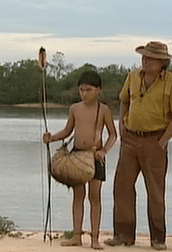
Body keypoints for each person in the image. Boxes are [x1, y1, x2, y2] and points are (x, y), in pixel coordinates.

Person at [104, 41, 172, 251]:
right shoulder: (132, 76)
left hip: (155, 140)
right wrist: (121, 125)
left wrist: (163, 141)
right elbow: (124, 100)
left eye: (150, 58)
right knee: (122, 187)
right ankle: (123, 235)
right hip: (130, 139)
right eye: (143, 56)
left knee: (155, 191)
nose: (145, 60)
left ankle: (158, 238)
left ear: (162, 62)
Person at [43, 71, 117, 250]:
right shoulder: (75, 109)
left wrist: (104, 151)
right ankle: (77, 235)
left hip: (95, 157)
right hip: (77, 155)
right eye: (82, 90)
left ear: (98, 90)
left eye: (89, 90)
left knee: (95, 197)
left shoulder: (103, 110)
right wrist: (51, 138)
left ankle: (95, 238)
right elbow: (67, 131)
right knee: (78, 196)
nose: (84, 94)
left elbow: (113, 135)